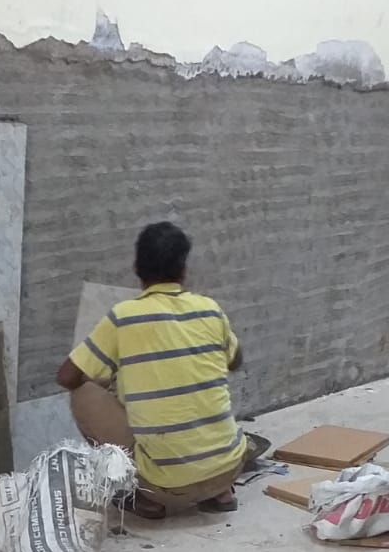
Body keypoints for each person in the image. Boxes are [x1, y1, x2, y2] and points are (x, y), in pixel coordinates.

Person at [56, 221, 265, 519]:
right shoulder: (209, 308)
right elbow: (235, 361)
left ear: (137, 268)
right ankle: (220, 493)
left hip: (167, 486)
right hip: (229, 468)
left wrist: (109, 376)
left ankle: (143, 496)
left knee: (83, 394)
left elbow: (67, 377)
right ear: (183, 270)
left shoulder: (124, 316)